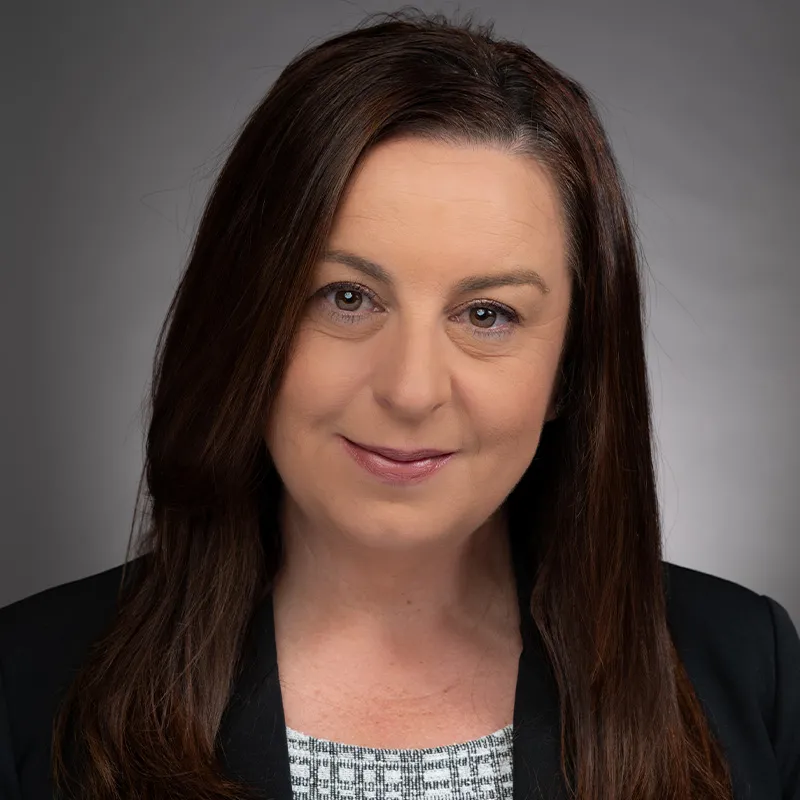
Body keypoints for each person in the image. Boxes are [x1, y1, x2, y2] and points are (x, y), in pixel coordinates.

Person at [1, 8, 798, 800]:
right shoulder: (28, 686)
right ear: (245, 317)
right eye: (348, 298)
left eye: (487, 314)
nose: (411, 389)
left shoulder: (745, 668)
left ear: (571, 369)